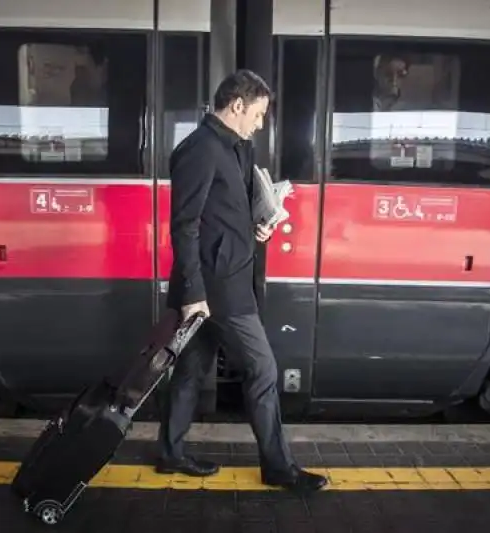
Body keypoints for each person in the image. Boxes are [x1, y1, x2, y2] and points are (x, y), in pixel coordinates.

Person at [156, 69, 328, 494]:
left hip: (226, 277)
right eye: (259, 112)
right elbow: (185, 226)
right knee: (263, 369)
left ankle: (171, 454)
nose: (260, 121)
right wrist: (195, 293)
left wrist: (258, 227)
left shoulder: (237, 149)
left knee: (191, 371)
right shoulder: (198, 150)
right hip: (216, 287)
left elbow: (223, 215)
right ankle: (278, 467)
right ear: (236, 104)